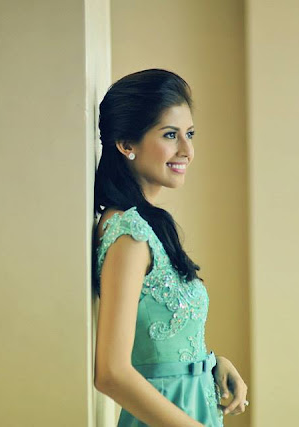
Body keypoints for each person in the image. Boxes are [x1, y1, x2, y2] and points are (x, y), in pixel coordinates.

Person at [92, 69, 248, 427]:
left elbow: (158, 341)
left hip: (191, 404)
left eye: (189, 134)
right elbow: (111, 373)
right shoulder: (130, 236)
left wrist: (210, 364)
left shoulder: (150, 226)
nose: (187, 151)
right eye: (170, 135)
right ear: (126, 144)